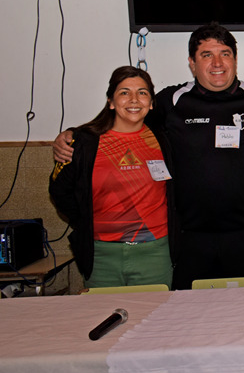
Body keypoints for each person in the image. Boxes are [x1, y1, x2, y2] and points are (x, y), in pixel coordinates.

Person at [54, 23, 244, 289]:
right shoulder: (171, 101)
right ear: (192, 63)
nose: (217, 63)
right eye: (207, 55)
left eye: (225, 54)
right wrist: (72, 134)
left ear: (235, 59)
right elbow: (127, 117)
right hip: (189, 235)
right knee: (188, 311)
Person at [49, 66, 176, 287]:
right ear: (110, 101)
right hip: (101, 256)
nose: (134, 99)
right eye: (124, 92)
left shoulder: (164, 140)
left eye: (142, 92)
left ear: (151, 103)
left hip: (155, 253)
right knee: (104, 310)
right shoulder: (84, 143)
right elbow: (60, 192)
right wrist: (86, 221)